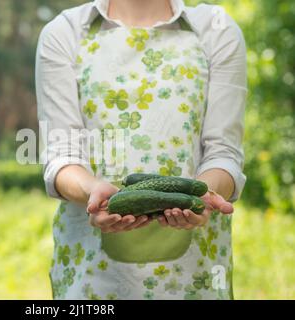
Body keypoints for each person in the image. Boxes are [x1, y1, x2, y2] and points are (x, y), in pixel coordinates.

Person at [35, 0, 247, 299]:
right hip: (92, 276)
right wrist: (91, 190)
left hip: (195, 272)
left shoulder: (216, 29)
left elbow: (224, 152)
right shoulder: (65, 32)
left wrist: (202, 194)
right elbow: (62, 157)